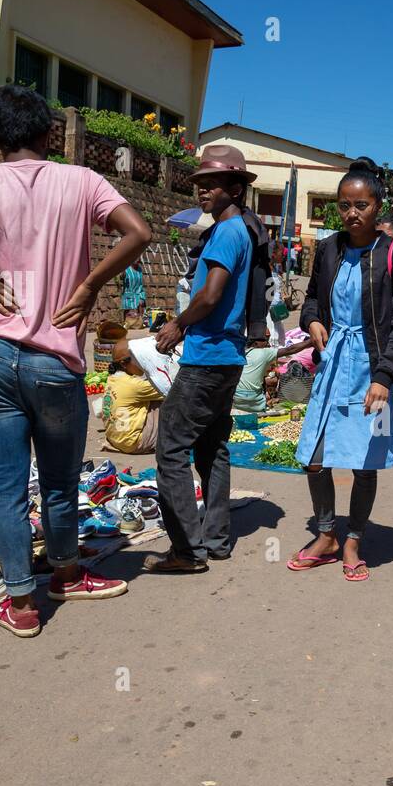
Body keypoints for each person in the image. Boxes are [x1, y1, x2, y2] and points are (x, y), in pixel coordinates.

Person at [0, 84, 151, 637]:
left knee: (7, 486)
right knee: (63, 483)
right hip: (55, 359)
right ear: (50, 135)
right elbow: (137, 232)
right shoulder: (83, 181)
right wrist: (91, 284)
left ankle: (20, 602)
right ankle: (66, 573)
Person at [288, 158, 393, 581]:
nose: (352, 213)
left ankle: (353, 539)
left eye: (361, 204)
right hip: (333, 363)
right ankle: (326, 534)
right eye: (344, 205)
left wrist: (385, 377)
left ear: (377, 206)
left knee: (366, 462)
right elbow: (311, 298)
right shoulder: (328, 248)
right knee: (315, 455)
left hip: (375, 369)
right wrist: (312, 321)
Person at [142, 145, 257, 574]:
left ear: (234, 188)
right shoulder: (236, 231)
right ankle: (216, 539)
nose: (202, 191)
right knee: (213, 448)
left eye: (211, 184)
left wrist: (177, 325)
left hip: (208, 356)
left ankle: (188, 551)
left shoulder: (228, 233)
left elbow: (210, 295)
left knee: (171, 449)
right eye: (199, 185)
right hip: (226, 357)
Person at [101, 338, 163, 455]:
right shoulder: (134, 385)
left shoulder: (113, 379)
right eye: (139, 360)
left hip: (116, 439)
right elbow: (168, 388)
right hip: (132, 443)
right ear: (124, 363)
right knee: (168, 397)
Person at [233, 334, 312, 414]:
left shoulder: (243, 351)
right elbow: (290, 349)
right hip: (251, 398)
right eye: (265, 339)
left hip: (235, 396)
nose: (268, 343)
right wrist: (311, 341)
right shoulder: (263, 352)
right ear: (255, 343)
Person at [120, 259, 146, 328]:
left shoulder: (139, 269)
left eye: (138, 259)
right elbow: (121, 277)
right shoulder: (126, 269)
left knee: (141, 303)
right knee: (127, 309)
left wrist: (141, 295)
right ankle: (126, 323)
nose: (137, 260)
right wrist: (123, 274)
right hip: (129, 292)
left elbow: (140, 282)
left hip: (139, 291)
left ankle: (140, 322)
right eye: (135, 259)